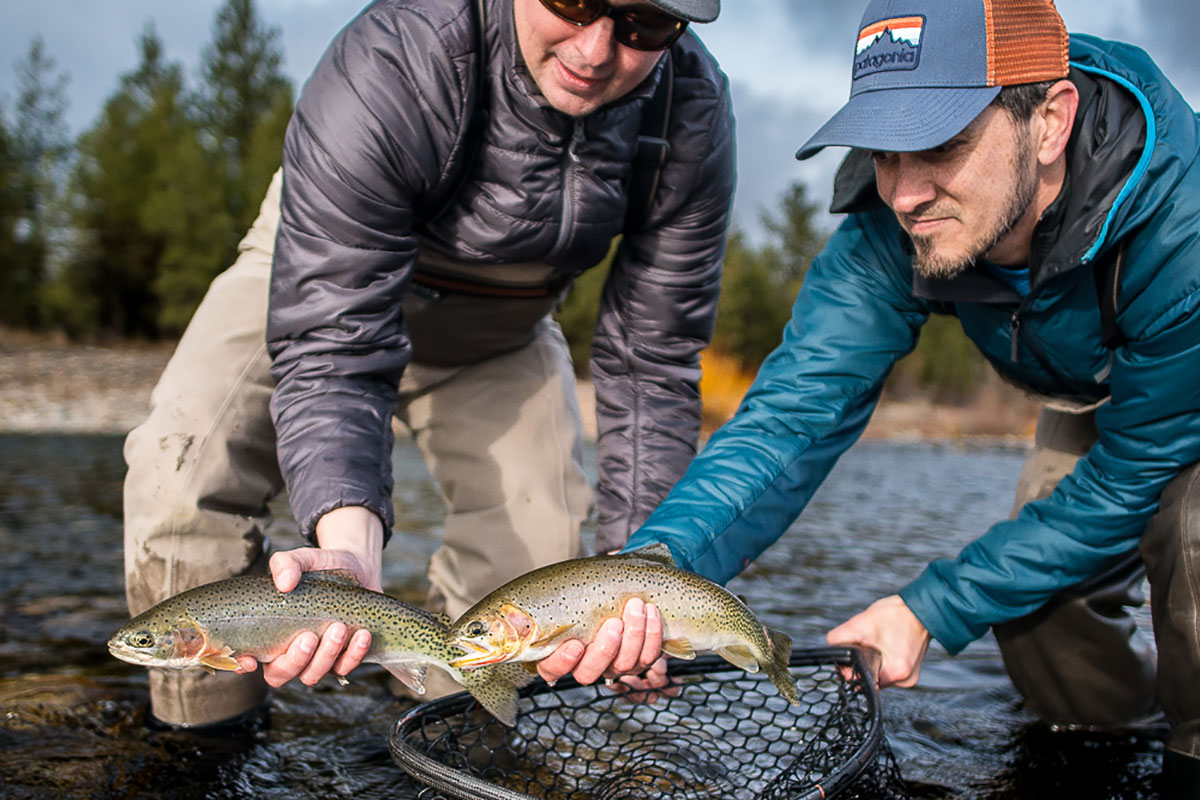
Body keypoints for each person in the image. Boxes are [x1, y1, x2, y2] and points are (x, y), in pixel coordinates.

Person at [539, 0, 1200, 792]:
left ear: (1051, 120)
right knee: (1039, 610)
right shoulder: (891, 229)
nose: (905, 194)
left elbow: (1137, 471)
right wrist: (655, 567)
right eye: (884, 151)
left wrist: (930, 608)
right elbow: (791, 417)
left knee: (1191, 533)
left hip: (1178, 381)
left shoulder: (1182, 226)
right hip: (1094, 394)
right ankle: (1110, 757)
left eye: (942, 144)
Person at [122, 0, 734, 731]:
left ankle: (432, 741)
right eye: (573, 1)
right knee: (181, 484)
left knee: (534, 575)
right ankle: (206, 747)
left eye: (645, 25)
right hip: (322, 280)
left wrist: (643, 588)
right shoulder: (399, 53)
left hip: (501, 328)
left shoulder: (689, 109)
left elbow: (650, 361)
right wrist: (349, 556)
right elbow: (336, 336)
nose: (597, 48)